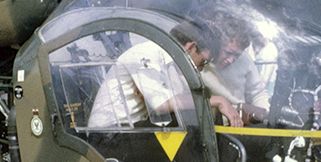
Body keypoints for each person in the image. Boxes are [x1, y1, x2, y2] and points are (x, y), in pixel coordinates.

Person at [87, 21, 243, 129]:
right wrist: (219, 100)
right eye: (203, 61)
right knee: (191, 137)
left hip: (135, 127)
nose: (201, 69)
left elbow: (178, 101)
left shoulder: (169, 62)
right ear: (191, 46)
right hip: (111, 132)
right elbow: (160, 103)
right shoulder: (147, 53)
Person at [201, 14, 270, 124]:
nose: (231, 60)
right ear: (216, 43)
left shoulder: (245, 60)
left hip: (240, 123)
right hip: (209, 125)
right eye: (228, 53)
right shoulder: (200, 60)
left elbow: (258, 93)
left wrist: (267, 117)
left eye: (237, 55)